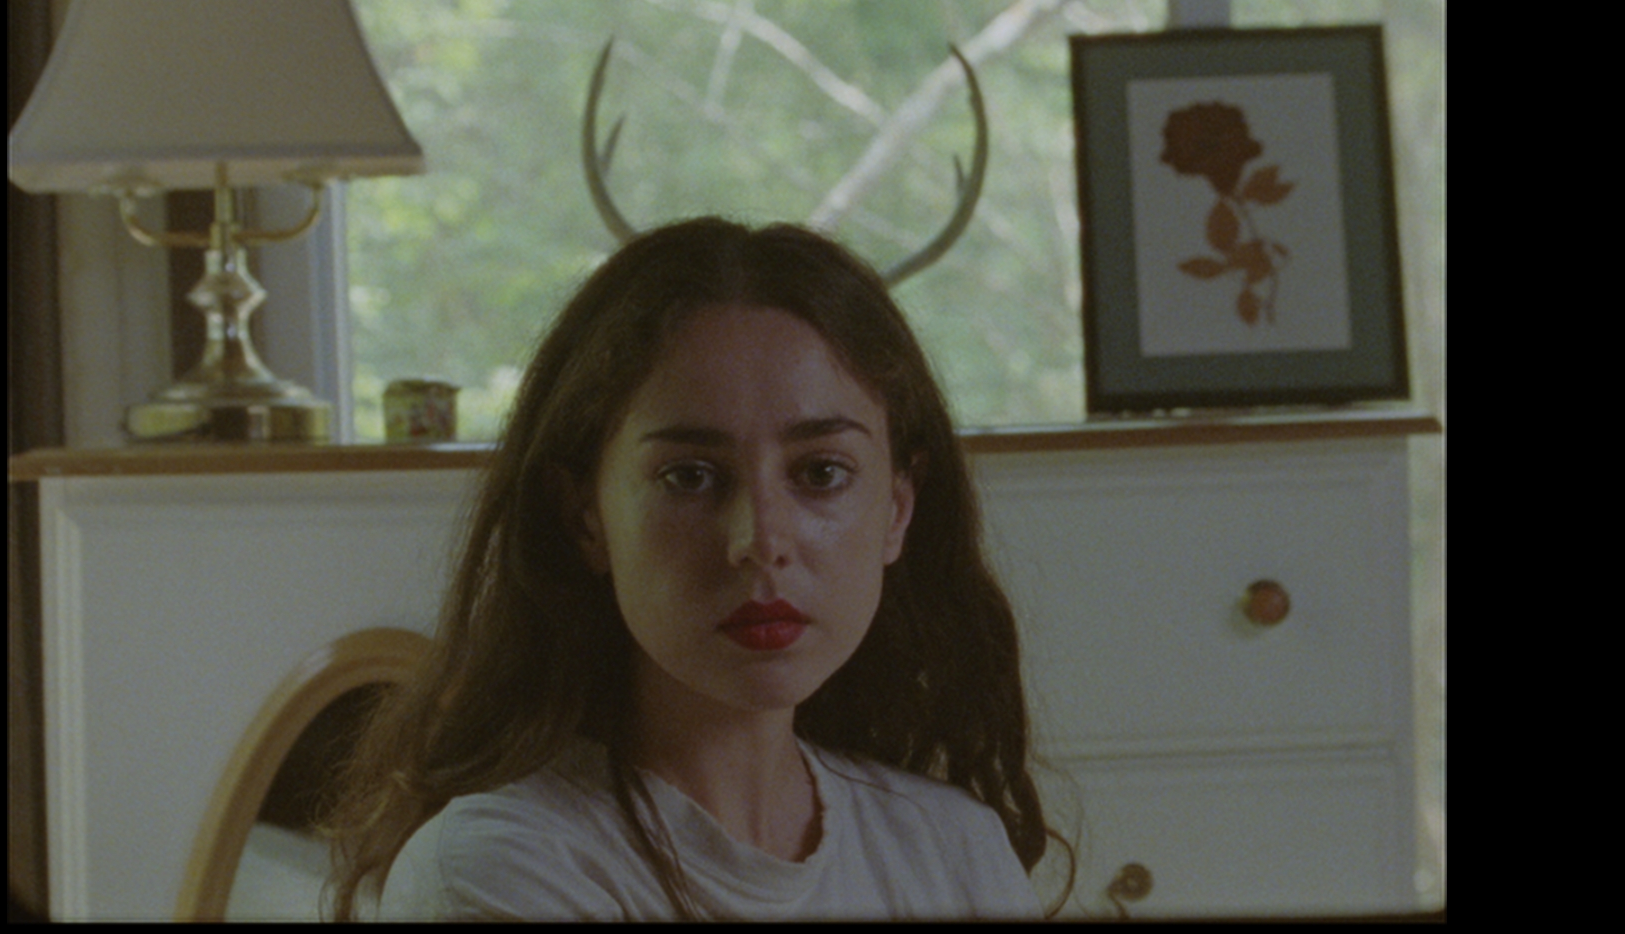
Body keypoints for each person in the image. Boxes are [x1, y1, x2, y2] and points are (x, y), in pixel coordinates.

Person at [324, 217, 1073, 920]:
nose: (761, 540)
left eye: (821, 473)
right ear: (585, 517)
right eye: (689, 477)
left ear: (898, 511)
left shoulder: (954, 849)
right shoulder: (498, 869)